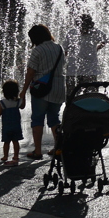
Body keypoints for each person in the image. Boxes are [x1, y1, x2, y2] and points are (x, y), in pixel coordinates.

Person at [19, 24, 65, 159]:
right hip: (59, 88)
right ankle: (58, 148)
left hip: (42, 88)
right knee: (54, 118)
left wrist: (23, 91)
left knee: (37, 119)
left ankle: (37, 151)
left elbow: (30, 72)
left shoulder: (38, 50)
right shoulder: (59, 48)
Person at [65, 14, 108, 96]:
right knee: (71, 95)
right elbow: (65, 50)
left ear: (90, 25)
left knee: (91, 95)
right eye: (80, 26)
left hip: (90, 70)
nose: (82, 29)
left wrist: (97, 48)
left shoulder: (95, 32)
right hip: (73, 70)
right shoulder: (72, 33)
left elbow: (105, 40)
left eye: (85, 26)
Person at [0, 80, 24, 167]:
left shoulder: (3, 103)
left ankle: (5, 156)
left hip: (6, 127)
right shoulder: (17, 102)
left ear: (4, 92)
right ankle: (16, 156)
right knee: (16, 142)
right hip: (16, 126)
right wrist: (23, 97)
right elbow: (23, 106)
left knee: (6, 142)